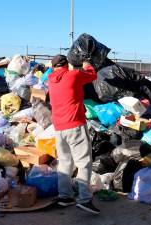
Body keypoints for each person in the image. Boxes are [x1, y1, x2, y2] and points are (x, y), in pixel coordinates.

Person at [48, 54, 100, 215]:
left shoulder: (50, 80)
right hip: (75, 125)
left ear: (53, 66)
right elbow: (92, 75)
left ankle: (65, 196)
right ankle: (84, 199)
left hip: (58, 128)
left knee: (64, 163)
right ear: (67, 64)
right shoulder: (73, 75)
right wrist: (86, 64)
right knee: (84, 162)